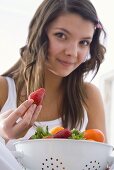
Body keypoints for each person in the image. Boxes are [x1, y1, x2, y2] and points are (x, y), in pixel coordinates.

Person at [0, 0, 108, 168]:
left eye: (84, 42)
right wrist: (2, 136)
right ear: (39, 33)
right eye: (61, 35)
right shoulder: (3, 89)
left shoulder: (89, 95)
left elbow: (101, 163)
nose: (72, 52)